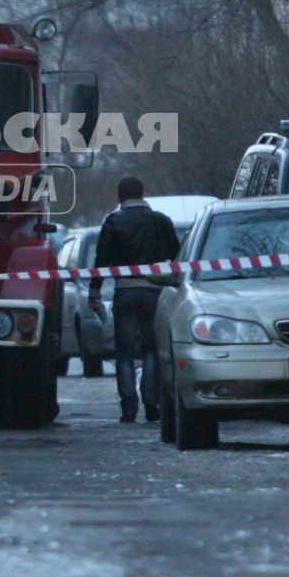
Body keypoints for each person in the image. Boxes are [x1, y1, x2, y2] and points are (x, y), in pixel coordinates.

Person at [88, 176, 180, 423]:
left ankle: (129, 407)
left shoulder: (114, 222)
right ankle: (151, 402)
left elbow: (101, 259)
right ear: (142, 193)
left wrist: (94, 292)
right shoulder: (161, 221)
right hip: (155, 292)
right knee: (152, 350)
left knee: (125, 353)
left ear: (120, 197)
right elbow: (176, 255)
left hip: (125, 292)